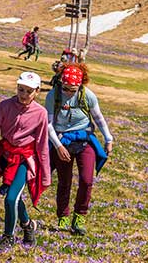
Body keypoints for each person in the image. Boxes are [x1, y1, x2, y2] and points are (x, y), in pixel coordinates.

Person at [0, 72, 51, 251]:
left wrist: (45, 175)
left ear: (37, 92)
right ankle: (28, 225)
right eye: (20, 89)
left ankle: (8, 236)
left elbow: (42, 145)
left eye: (28, 91)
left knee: (11, 199)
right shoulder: (4, 106)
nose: (23, 94)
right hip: (7, 156)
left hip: (25, 159)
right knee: (13, 197)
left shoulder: (41, 113)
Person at [44, 63, 113, 236]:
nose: (68, 92)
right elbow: (49, 124)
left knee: (86, 180)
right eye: (66, 88)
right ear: (61, 82)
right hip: (62, 140)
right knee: (64, 182)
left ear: (80, 85)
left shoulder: (87, 95)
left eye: (72, 90)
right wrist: (58, 146)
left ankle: (79, 216)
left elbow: (98, 118)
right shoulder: (53, 95)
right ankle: (63, 216)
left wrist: (108, 138)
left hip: (84, 139)